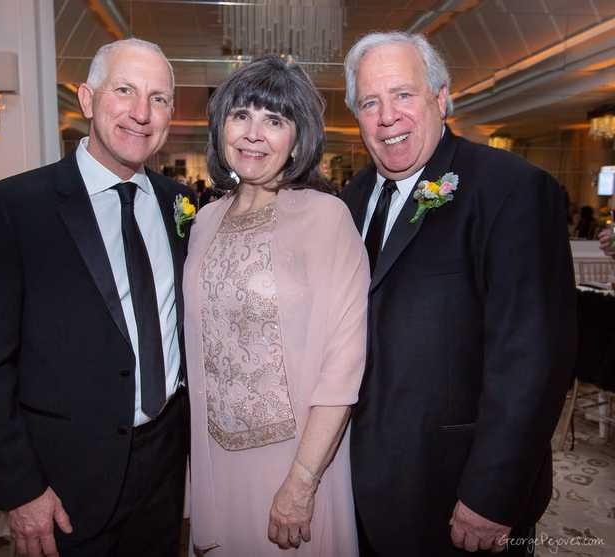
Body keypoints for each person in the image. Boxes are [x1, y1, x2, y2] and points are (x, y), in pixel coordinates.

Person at [340, 32, 576, 556]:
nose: (387, 117)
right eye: (370, 103)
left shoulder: (510, 189)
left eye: (403, 94)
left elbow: (533, 357)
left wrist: (492, 493)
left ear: (440, 98)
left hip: (457, 495)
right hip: (360, 491)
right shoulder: (349, 200)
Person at [0, 38, 193, 557]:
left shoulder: (181, 205)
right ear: (88, 99)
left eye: (158, 98)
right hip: (62, 482)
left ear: (170, 114)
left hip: (163, 467)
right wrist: (20, 488)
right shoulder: (13, 210)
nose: (140, 112)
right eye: (125, 91)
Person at [184, 55, 369, 556]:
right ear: (222, 124)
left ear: (297, 138)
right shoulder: (204, 223)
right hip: (215, 458)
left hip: (295, 462)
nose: (253, 133)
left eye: (274, 120)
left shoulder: (326, 219)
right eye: (241, 114)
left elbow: (343, 366)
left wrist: (303, 482)